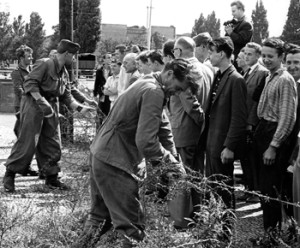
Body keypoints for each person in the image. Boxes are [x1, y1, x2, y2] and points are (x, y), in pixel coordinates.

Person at [74, 59, 193, 248]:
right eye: (177, 88)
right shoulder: (154, 91)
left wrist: (172, 163)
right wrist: (173, 165)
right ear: (169, 74)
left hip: (101, 155)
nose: (176, 93)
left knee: (99, 219)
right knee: (132, 230)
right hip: (116, 161)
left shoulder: (148, 82)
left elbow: (162, 128)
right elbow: (146, 141)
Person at [3, 39, 95, 192]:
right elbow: (30, 84)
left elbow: (66, 95)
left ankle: (52, 178)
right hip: (34, 103)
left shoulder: (63, 72)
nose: (74, 59)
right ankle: (10, 174)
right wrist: (41, 101)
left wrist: (80, 108)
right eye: (73, 56)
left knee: (53, 142)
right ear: (66, 54)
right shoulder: (44, 63)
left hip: (52, 105)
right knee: (28, 141)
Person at [252, 38, 297, 243]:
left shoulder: (285, 79)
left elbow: (287, 117)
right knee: (265, 190)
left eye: (271, 56)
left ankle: (272, 239)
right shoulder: (271, 76)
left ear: (281, 57)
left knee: (270, 191)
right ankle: (270, 235)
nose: (266, 60)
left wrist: (273, 146)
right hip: (264, 130)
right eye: (264, 56)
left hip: (274, 135)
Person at [203, 37, 247, 232]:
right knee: (214, 188)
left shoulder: (236, 79)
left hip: (222, 147)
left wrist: (229, 146)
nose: (209, 56)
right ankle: (216, 230)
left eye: (212, 52)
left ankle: (225, 233)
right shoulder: (218, 76)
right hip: (213, 143)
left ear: (221, 54)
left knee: (223, 191)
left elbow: (239, 118)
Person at [169, 36, 212, 217]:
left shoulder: (184, 69)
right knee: (196, 173)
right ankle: (198, 212)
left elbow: (189, 101)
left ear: (178, 51)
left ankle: (182, 217)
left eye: (174, 51)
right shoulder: (207, 68)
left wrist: (199, 117)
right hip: (198, 131)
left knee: (182, 173)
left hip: (185, 128)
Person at [238, 42, 268, 203]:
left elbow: (258, 101)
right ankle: (249, 188)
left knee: (253, 159)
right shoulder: (247, 72)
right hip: (243, 122)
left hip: (253, 123)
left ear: (258, 56)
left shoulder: (262, 73)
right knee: (245, 158)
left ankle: (256, 191)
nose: (246, 56)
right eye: (246, 53)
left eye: (250, 54)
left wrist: (251, 122)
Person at [11, 44, 39, 177]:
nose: (31, 58)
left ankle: (24, 165)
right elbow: (18, 90)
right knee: (24, 135)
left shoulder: (33, 70)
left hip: (32, 105)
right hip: (21, 106)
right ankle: (19, 166)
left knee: (27, 135)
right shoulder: (17, 72)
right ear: (21, 58)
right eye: (29, 56)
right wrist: (32, 94)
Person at [285, 47, 300, 227]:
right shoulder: (286, 83)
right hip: (283, 147)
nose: (292, 66)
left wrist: (294, 157)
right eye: (289, 62)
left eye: (296, 62)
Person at [224, 1, 253, 67]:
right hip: (232, 57)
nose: (232, 14)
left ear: (240, 10)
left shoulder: (246, 24)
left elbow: (242, 40)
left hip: (240, 59)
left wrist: (231, 33)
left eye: (234, 11)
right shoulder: (235, 23)